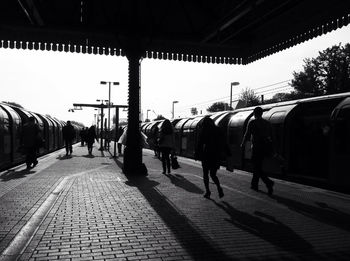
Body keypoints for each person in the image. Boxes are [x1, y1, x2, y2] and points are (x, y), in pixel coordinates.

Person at [241, 106, 275, 195]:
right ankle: (254, 184)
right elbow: (272, 136)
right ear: (262, 113)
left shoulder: (252, 122)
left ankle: (268, 182)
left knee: (256, 166)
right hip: (265, 148)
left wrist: (243, 144)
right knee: (258, 166)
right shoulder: (267, 123)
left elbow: (247, 134)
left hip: (256, 147)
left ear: (254, 113)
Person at [195, 116, 225, 199]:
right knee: (213, 174)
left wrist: (197, 153)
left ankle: (208, 191)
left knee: (205, 174)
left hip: (206, 154)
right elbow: (223, 142)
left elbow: (199, 143)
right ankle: (219, 187)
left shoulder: (203, 131)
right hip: (216, 155)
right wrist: (227, 154)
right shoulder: (218, 130)